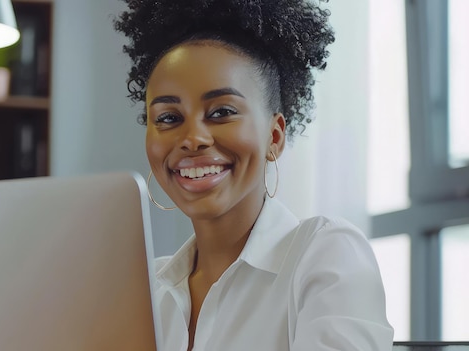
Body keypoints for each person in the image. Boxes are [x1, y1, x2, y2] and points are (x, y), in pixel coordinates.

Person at [114, 0, 394, 350]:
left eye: (221, 112)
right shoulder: (146, 292)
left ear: (274, 137)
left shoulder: (325, 257)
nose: (192, 139)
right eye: (169, 118)